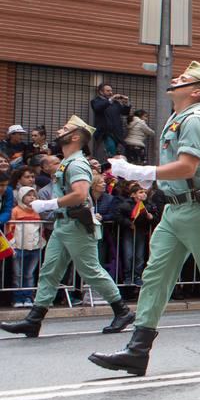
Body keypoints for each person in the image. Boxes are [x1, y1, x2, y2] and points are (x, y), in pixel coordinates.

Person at [90, 62, 200, 376]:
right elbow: (177, 171)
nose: (175, 79)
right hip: (175, 209)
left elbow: (187, 167)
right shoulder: (177, 118)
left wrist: (138, 172)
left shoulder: (197, 119)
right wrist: (148, 180)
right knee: (155, 276)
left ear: (197, 90)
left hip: (198, 209)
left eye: (183, 79)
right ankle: (138, 350)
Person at [1, 116, 135, 338]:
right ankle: (34, 320)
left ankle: (122, 311)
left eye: (64, 128)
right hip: (64, 224)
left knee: (91, 270)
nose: (58, 129)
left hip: (77, 225)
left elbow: (81, 194)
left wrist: (49, 204)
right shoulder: (67, 162)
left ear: (74, 136)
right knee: (49, 271)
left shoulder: (77, 163)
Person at [7, 186, 45, 306]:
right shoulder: (15, 211)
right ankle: (17, 298)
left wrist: (41, 242)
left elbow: (41, 229)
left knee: (29, 274)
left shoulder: (37, 211)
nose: (32, 197)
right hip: (18, 246)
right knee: (18, 273)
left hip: (34, 247)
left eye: (33, 195)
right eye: (28, 195)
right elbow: (10, 228)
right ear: (21, 197)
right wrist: (12, 242)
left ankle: (28, 297)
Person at [90, 83, 130, 160]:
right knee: (107, 156)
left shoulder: (115, 103)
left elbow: (125, 112)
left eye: (111, 91)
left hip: (117, 134)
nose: (111, 93)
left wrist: (127, 103)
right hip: (104, 134)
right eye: (108, 91)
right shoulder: (95, 101)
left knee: (117, 157)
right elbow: (98, 108)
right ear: (101, 92)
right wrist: (111, 100)